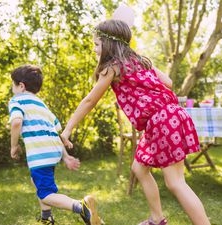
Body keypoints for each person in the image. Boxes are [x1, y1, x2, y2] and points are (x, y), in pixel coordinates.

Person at [60, 19, 211, 225]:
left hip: (162, 121)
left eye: (97, 44)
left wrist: (68, 129)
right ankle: (157, 218)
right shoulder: (141, 61)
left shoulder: (112, 68)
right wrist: (141, 64)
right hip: (169, 117)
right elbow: (168, 82)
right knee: (139, 168)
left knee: (176, 182)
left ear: (109, 44)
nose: (94, 48)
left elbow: (89, 101)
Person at [8, 65, 102, 225]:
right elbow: (56, 132)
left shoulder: (17, 100)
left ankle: (82, 207)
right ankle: (46, 217)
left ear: (21, 86)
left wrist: (13, 146)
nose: (12, 88)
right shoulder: (42, 105)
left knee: (46, 194)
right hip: (52, 153)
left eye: (13, 84)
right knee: (35, 180)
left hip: (40, 156)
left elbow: (16, 123)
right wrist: (65, 156)